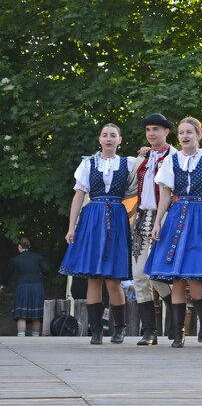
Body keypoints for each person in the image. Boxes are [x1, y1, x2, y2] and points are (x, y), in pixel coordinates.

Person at [59, 123, 136, 345]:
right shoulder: (88, 164)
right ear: (99, 140)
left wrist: (145, 152)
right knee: (94, 278)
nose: (109, 139)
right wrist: (71, 227)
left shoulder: (128, 163)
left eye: (113, 135)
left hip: (117, 220)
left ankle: (119, 328)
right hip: (92, 219)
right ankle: (96, 331)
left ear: (120, 140)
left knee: (114, 280)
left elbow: (146, 177)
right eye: (105, 135)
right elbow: (78, 196)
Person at [144, 117, 202, 348]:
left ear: (199, 135)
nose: (185, 136)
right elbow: (165, 194)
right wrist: (158, 222)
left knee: (194, 276)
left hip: (200, 214)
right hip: (176, 216)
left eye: (189, 132)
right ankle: (179, 332)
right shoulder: (171, 161)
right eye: (182, 133)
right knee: (175, 277)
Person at [129, 113, 177, 346]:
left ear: (166, 132)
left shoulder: (176, 156)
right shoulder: (142, 159)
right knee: (139, 275)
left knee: (157, 274)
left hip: (166, 217)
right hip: (142, 218)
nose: (151, 133)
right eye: (148, 129)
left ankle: (174, 316)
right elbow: (128, 185)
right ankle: (149, 331)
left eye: (156, 129)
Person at [1, 237, 49, 337]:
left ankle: (21, 338)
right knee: (36, 315)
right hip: (37, 286)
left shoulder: (15, 259)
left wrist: (3, 285)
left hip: (23, 287)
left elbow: (7, 274)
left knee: (21, 314)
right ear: (29, 246)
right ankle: (35, 337)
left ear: (19, 247)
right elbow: (47, 271)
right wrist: (40, 275)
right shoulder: (38, 257)